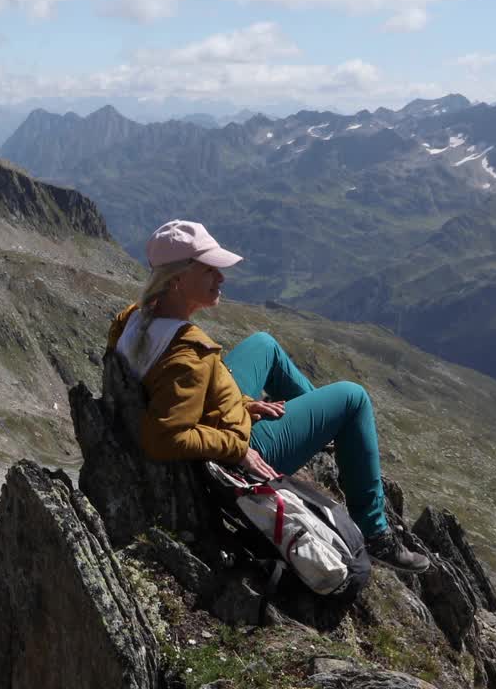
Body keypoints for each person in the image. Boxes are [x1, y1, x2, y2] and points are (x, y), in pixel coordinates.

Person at [106, 219, 430, 574]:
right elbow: (164, 437)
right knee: (354, 398)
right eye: (210, 269)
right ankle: (374, 533)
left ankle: (325, 431)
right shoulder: (188, 356)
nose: (221, 277)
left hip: (217, 415)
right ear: (178, 279)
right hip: (237, 456)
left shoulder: (134, 318)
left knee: (264, 344)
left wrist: (242, 403)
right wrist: (238, 447)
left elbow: (167, 392)